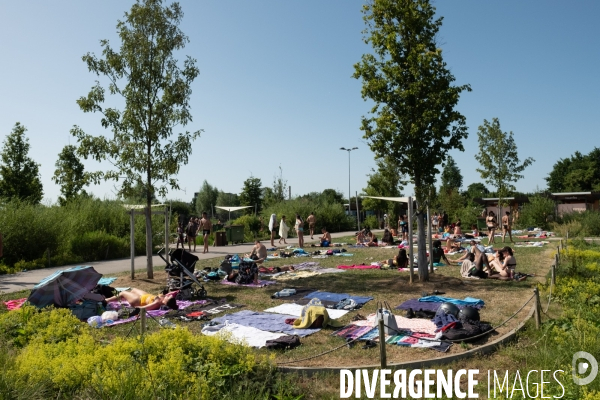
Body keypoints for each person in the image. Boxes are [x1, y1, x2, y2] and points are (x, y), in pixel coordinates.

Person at [105, 288, 178, 311]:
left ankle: (106, 300)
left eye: (168, 297)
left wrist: (134, 308)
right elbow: (172, 293)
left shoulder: (157, 302)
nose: (169, 295)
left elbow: (144, 308)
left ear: (165, 302)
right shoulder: (162, 299)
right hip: (145, 296)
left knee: (123, 293)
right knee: (133, 290)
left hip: (138, 300)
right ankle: (127, 297)